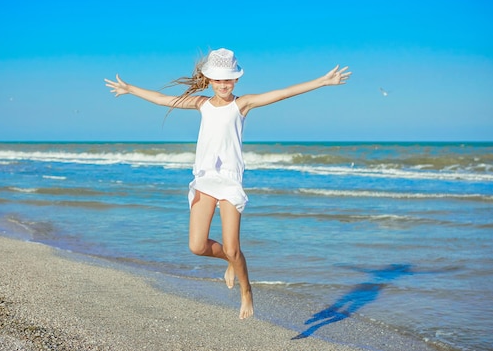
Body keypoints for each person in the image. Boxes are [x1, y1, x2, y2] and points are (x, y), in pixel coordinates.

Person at [104, 48, 351, 319]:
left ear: (236, 80)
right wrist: (130, 88)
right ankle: (229, 262)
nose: (224, 85)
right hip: (205, 180)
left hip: (230, 182)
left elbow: (283, 93)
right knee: (197, 246)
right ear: (209, 80)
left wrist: (322, 81)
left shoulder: (242, 104)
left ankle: (246, 291)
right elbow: (164, 99)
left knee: (233, 247)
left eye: (229, 80)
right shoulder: (201, 103)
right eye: (219, 80)